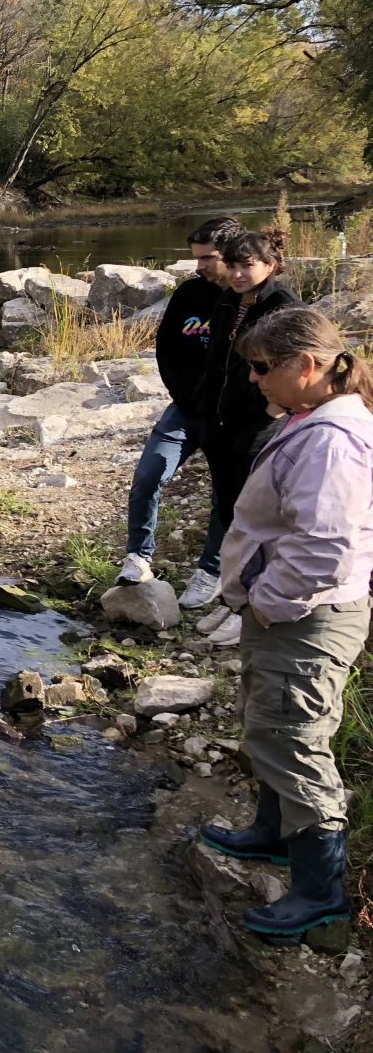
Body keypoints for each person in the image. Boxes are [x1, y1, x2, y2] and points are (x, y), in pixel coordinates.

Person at [198, 308, 373, 936]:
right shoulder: (311, 418)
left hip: (307, 616)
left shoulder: (332, 439)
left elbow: (324, 548)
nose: (251, 378)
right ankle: (272, 832)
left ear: (307, 366)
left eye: (262, 367)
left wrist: (265, 600)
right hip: (291, 612)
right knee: (269, 722)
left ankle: (319, 890)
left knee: (295, 738)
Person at [116, 216, 242, 605]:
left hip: (232, 417)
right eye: (196, 258)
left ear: (233, 255)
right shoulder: (189, 293)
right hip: (186, 409)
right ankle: (139, 555)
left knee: (226, 496)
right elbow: (166, 346)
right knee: (150, 473)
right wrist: (183, 393)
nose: (199, 266)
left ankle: (210, 571)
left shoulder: (248, 299)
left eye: (208, 258)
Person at [193, 229, 301, 647]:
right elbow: (215, 359)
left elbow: (295, 361)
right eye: (233, 265)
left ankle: (252, 604)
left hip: (257, 423)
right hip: (219, 420)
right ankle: (233, 597)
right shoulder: (227, 301)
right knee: (229, 511)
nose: (238, 273)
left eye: (247, 265)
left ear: (269, 266)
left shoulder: (283, 305)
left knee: (257, 516)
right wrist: (204, 405)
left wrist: (273, 410)